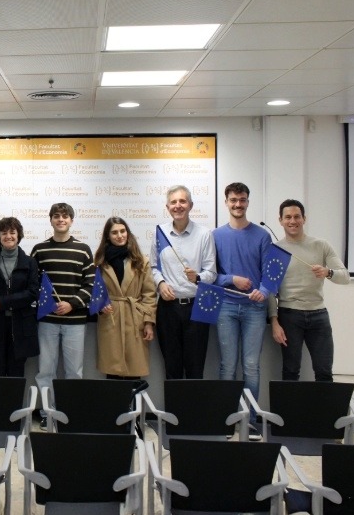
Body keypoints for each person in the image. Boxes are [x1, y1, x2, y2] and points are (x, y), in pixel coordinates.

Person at [213, 182, 272, 437]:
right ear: (226, 202)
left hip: (255, 309)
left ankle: (251, 420)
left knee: (251, 366)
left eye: (242, 200)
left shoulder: (262, 236)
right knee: (227, 366)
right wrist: (232, 279)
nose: (238, 204)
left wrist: (264, 291)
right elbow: (210, 275)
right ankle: (227, 419)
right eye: (234, 200)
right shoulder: (215, 236)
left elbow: (270, 274)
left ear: (248, 201)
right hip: (225, 306)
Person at [269, 199, 349, 382]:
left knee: (324, 371)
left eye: (297, 216)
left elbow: (345, 277)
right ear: (280, 220)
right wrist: (274, 321)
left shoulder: (321, 245)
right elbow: (270, 290)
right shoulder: (275, 250)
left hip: (318, 314)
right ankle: (290, 403)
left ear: (304, 219)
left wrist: (328, 272)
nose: (293, 221)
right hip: (289, 315)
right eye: (288, 217)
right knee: (290, 371)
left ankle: (324, 403)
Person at [30, 202, 94, 429]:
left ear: (71, 221)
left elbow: (90, 284)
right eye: (56, 216)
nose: (61, 220)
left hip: (75, 321)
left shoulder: (83, 249)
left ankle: (71, 412)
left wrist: (72, 304)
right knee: (45, 370)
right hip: (47, 320)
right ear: (50, 220)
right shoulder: (39, 250)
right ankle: (48, 413)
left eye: (65, 216)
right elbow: (33, 283)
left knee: (74, 371)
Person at [150, 185, 217, 379]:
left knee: (195, 368)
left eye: (182, 201)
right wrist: (161, 284)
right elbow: (153, 267)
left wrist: (198, 277)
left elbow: (211, 272)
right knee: (172, 368)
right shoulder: (160, 233)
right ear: (167, 207)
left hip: (196, 307)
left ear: (191, 205)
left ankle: (193, 402)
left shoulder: (204, 234)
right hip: (168, 308)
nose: (178, 206)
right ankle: (174, 402)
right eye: (173, 202)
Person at [94, 217, 157, 379]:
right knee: (112, 370)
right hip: (110, 317)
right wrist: (100, 305)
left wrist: (148, 322)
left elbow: (149, 294)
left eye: (123, 231)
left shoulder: (140, 260)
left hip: (135, 317)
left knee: (134, 369)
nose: (120, 235)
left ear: (128, 233)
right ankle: (114, 397)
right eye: (114, 232)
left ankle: (135, 397)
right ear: (108, 236)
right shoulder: (99, 262)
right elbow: (94, 291)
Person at [0, 217, 39, 377]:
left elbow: (33, 292)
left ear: (19, 235)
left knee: (16, 373)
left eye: (12, 232)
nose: (8, 236)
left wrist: (3, 302)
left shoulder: (30, 262)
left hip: (20, 326)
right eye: (4, 233)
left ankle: (15, 396)